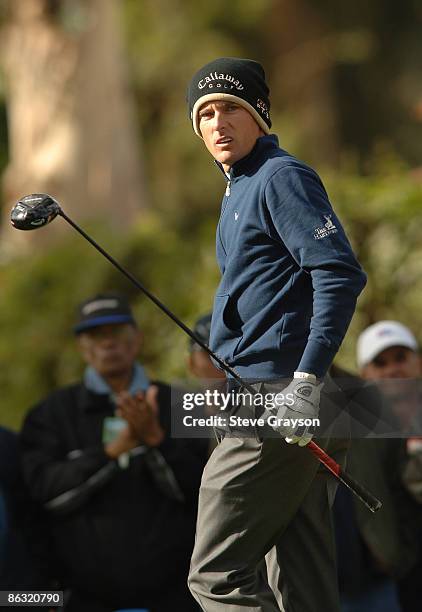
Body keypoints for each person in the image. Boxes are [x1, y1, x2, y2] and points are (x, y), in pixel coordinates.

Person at [186, 57, 367, 611]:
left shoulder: (279, 177)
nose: (219, 123)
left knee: (215, 575)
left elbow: (338, 273)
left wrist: (307, 378)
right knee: (301, 582)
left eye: (232, 109)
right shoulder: (239, 187)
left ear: (260, 116)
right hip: (276, 399)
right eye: (207, 113)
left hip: (276, 398)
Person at [20, 293, 207, 612]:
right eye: (95, 335)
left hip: (180, 598)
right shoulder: (49, 415)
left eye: (117, 332)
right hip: (84, 602)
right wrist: (112, 452)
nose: (109, 344)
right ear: (82, 347)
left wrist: (155, 439)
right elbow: (45, 494)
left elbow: (207, 494)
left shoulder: (179, 404)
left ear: (137, 339)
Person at [356, 320, 422, 612]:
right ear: (364, 374)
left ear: (417, 362)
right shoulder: (353, 434)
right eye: (380, 362)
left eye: (401, 357)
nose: (393, 369)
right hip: (384, 579)